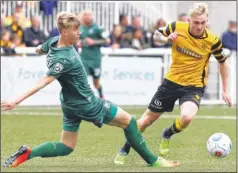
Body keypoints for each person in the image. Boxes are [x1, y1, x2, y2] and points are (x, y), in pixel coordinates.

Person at [1, 11, 180, 168]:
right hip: (87, 103)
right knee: (130, 122)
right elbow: (43, 81)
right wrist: (16, 100)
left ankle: (28, 153)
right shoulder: (64, 59)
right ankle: (153, 160)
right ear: (65, 32)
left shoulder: (54, 42)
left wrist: (42, 51)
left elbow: (40, 49)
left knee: (66, 147)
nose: (80, 33)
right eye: (76, 30)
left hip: (69, 103)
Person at [114, 2, 232, 165]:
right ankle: (124, 149)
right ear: (189, 20)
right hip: (171, 83)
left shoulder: (213, 41)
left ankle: (167, 134)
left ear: (207, 22)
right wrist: (165, 39)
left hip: (194, 86)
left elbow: (223, 62)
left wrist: (225, 90)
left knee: (187, 117)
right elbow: (157, 36)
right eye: (196, 22)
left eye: (203, 23)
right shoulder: (178, 27)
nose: (199, 26)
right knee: (145, 121)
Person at [78, 9, 109, 98]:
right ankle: (88, 99)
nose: (87, 17)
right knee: (82, 79)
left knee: (96, 83)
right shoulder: (80, 28)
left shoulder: (98, 28)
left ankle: (101, 97)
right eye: (85, 15)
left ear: (92, 16)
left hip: (95, 59)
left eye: (89, 15)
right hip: (84, 58)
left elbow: (107, 41)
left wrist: (94, 42)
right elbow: (77, 41)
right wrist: (79, 43)